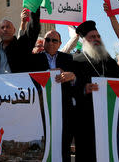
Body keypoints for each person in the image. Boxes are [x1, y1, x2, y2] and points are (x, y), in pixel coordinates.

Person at [72, 20, 119, 162]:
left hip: (108, 116)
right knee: (87, 154)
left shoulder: (108, 60)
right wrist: (84, 89)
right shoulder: (75, 60)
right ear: (84, 40)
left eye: (98, 36)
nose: (96, 39)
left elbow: (117, 80)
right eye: (92, 37)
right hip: (85, 117)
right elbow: (68, 89)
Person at [29, 30, 77, 162]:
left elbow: (77, 79)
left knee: (63, 145)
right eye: (47, 39)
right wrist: (48, 74)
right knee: (43, 145)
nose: (50, 42)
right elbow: (30, 78)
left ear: (60, 43)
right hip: (41, 109)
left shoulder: (68, 58)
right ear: (43, 41)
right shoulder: (34, 59)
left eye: (54, 40)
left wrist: (71, 76)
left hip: (64, 109)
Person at [0, 8, 40, 74]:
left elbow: (33, 29)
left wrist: (34, 9)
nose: (5, 29)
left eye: (8, 27)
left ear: (14, 30)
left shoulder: (22, 45)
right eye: (2, 27)